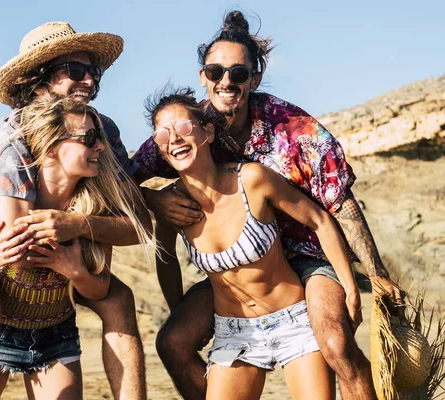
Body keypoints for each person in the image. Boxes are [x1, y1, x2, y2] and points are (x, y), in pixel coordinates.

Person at [134, 11, 407, 400]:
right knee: (173, 341)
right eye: (215, 72)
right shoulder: (184, 127)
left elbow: (338, 206)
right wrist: (153, 199)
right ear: (203, 77)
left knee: (335, 344)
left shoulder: (293, 129)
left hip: (308, 254)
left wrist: (373, 273)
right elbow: (123, 179)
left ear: (254, 80)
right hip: (241, 272)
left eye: (238, 74)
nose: (225, 81)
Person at [0, 22, 150, 400]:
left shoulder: (100, 132)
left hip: (52, 298)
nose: (90, 82)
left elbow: (136, 222)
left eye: (93, 72)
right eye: (76, 71)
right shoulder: (11, 139)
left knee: (118, 298)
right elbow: (19, 237)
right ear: (39, 82)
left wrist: (79, 226)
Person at [146, 87, 362, 399]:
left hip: (293, 323)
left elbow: (319, 220)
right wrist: (178, 309)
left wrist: (350, 288)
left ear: (206, 133)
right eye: (162, 135)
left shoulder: (252, 179)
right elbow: (165, 258)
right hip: (234, 333)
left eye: (182, 127)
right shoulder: (172, 204)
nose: (174, 139)